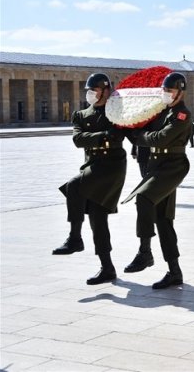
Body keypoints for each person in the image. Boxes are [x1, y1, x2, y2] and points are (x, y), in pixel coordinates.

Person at [53, 72, 127, 285]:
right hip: (92, 165)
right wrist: (103, 136)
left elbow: (118, 135)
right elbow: (78, 139)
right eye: (89, 90)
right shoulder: (81, 114)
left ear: (105, 91)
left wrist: (96, 137)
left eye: (94, 90)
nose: (90, 94)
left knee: (74, 186)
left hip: (112, 166)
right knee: (97, 217)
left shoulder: (116, 112)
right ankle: (107, 268)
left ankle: (75, 238)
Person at [123, 72, 191, 289]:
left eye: (170, 91)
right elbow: (148, 130)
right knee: (163, 220)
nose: (166, 95)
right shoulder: (163, 113)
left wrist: (139, 138)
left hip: (173, 166)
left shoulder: (182, 115)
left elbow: (161, 137)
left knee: (143, 198)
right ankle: (175, 271)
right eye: (165, 91)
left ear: (180, 92)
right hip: (158, 166)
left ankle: (145, 252)